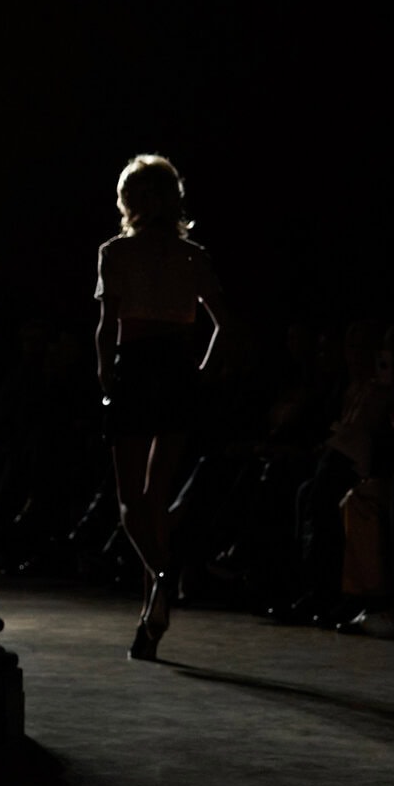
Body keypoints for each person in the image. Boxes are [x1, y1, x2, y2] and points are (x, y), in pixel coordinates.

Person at [94, 155, 227, 661]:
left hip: (136, 369)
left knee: (131, 499)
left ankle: (163, 580)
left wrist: (106, 375)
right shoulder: (192, 256)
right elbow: (226, 325)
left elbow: (107, 325)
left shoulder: (116, 252)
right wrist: (201, 373)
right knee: (157, 496)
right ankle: (151, 619)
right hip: (176, 370)